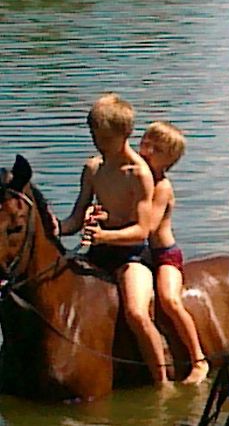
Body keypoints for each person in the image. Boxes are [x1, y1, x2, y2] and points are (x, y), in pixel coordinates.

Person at [59, 93, 169, 386]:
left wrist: (105, 234)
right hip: (98, 251)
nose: (99, 144)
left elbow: (143, 230)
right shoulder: (93, 168)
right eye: (95, 136)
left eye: (105, 138)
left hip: (131, 255)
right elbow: (75, 218)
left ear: (125, 134)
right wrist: (55, 227)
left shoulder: (139, 173)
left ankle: (162, 381)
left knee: (136, 311)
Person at [137, 121, 209, 385]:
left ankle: (199, 359)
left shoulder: (162, 187)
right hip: (141, 254)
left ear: (167, 160)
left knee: (169, 299)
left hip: (165, 254)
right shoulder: (137, 179)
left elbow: (150, 226)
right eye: (144, 141)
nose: (145, 149)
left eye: (154, 148)